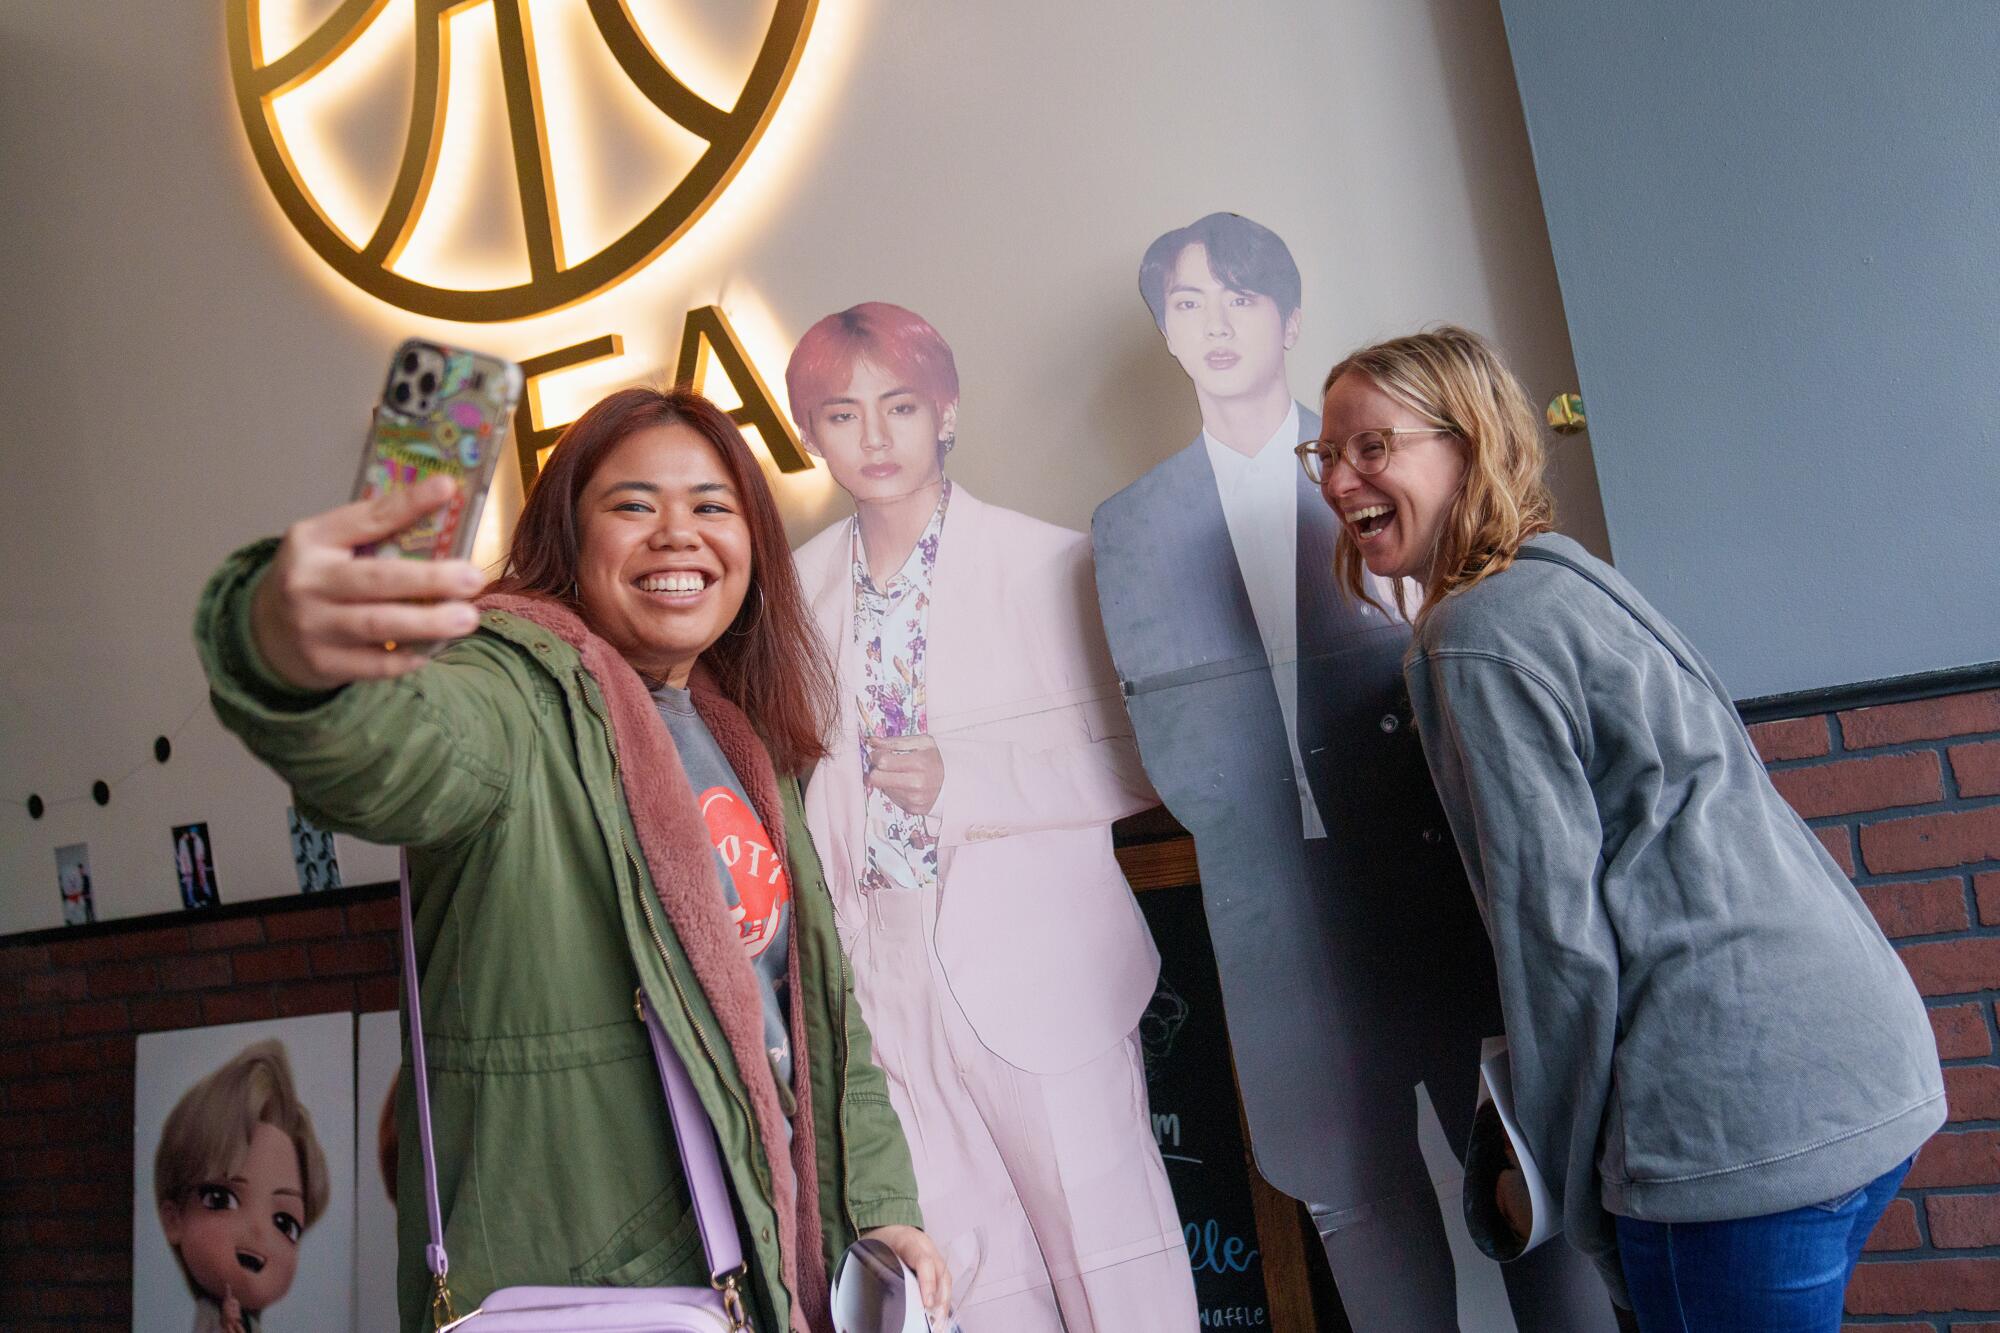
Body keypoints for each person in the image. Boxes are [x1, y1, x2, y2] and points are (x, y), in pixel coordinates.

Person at [194, 387, 947, 1333]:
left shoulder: (742, 736)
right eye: (634, 505)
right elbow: (395, 752)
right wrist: (289, 650)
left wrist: (878, 1205)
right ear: (568, 536)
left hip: (766, 1266)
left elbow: (817, 1017)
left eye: (712, 507)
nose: (679, 534)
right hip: (595, 1281)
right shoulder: (509, 689)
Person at [1309, 325, 1945, 1327]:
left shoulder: (1474, 635)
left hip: (1734, 1121)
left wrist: (1568, 1194)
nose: (1337, 482)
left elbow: (1554, 947)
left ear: (1465, 442)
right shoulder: (1565, 576)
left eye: (1370, 447)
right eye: (1324, 454)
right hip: (1866, 1064)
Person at [1092, 213, 1613, 1328]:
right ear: (1165, 334)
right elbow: (1170, 744)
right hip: (1282, 923)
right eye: (1186, 304)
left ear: (1285, 317)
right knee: (1359, 1213)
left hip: (1453, 889)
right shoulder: (1131, 524)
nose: (1214, 323)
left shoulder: (1376, 470)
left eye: (1236, 297)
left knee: (1534, 1180)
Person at [786, 303, 1197, 1331]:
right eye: (842, 414)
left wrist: (969, 779)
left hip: (1031, 956)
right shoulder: (788, 596)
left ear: (945, 411)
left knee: (1112, 1264)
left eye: (898, 406)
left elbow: (1142, 763)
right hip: (870, 964)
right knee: (960, 1274)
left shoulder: (1046, 562)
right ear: (810, 434)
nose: (873, 437)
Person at [154, 1040, 329, 1333]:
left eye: (285, 1223)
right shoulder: (211, 1318)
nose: (259, 1231)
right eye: (221, 1199)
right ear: (174, 1219)